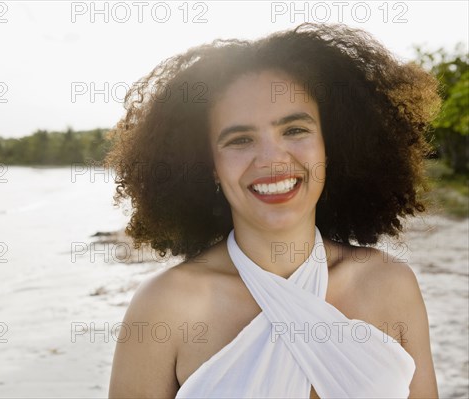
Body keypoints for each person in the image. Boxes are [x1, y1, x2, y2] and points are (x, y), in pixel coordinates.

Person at [106, 23, 440, 398]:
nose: (272, 160)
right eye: (240, 139)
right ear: (209, 165)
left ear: (331, 146)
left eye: (295, 130)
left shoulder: (389, 284)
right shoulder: (164, 307)